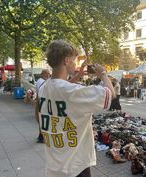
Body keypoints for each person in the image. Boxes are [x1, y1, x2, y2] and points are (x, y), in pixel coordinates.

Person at [37, 40, 115, 177]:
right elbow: (111, 93)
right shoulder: (72, 91)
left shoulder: (44, 87)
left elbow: (38, 115)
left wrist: (78, 74)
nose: (75, 63)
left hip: (53, 166)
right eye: (74, 60)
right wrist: (103, 74)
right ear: (66, 60)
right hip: (75, 166)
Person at [35, 69, 50, 143]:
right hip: (43, 104)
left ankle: (41, 136)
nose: (48, 75)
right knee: (44, 120)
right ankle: (42, 137)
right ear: (41, 74)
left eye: (48, 73)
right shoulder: (41, 81)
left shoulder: (40, 81)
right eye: (46, 73)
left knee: (42, 120)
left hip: (41, 103)